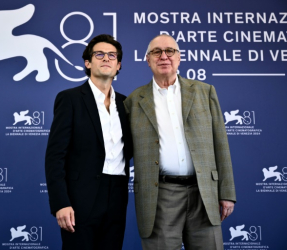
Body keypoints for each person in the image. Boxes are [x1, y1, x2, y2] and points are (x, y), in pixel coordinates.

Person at [124, 34, 236, 250]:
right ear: (147, 60)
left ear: (179, 57)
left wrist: (227, 193)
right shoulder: (134, 101)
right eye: (156, 52)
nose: (164, 56)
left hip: (204, 194)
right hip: (159, 196)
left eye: (170, 51)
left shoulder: (205, 91)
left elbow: (220, 143)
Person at [45, 34, 132, 250]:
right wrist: (61, 203)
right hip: (79, 198)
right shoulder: (70, 99)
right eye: (99, 54)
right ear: (88, 62)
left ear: (118, 65)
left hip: (117, 195)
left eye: (112, 55)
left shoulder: (127, 103)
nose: (106, 59)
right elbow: (55, 156)